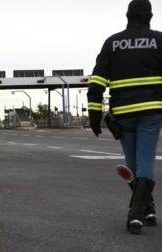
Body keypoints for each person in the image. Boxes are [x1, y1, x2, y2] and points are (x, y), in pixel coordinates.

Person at [87, 0, 162, 234]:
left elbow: (97, 81)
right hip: (151, 111)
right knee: (145, 160)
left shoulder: (112, 42)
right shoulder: (159, 40)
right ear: (149, 17)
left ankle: (143, 209)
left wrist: (94, 113)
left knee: (131, 161)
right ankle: (139, 213)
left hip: (123, 113)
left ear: (127, 16)